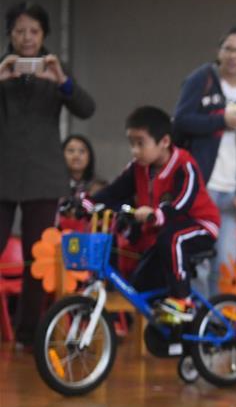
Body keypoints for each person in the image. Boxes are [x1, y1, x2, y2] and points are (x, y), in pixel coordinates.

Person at [0, 1, 95, 347]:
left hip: (43, 175)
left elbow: (86, 108)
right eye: (20, 30)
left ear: (44, 35)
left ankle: (27, 335)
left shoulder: (55, 70)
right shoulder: (3, 68)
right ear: (9, 34)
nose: (27, 38)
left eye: (34, 31)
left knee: (36, 257)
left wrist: (62, 79)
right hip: (3, 172)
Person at [89, 107, 220, 323]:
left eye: (141, 143)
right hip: (162, 231)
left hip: (200, 225)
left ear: (165, 141)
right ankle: (173, 328)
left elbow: (183, 200)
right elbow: (114, 192)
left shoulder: (184, 165)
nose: (134, 150)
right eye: (131, 143)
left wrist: (158, 214)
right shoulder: (138, 168)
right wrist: (86, 201)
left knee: (173, 238)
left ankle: (183, 300)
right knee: (141, 283)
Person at [172, 26, 236, 295]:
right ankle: (196, 322)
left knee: (226, 264)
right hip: (203, 184)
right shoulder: (202, 78)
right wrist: (220, 121)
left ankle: (216, 325)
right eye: (227, 48)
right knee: (201, 261)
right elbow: (181, 121)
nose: (232, 55)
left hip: (232, 188)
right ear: (219, 52)